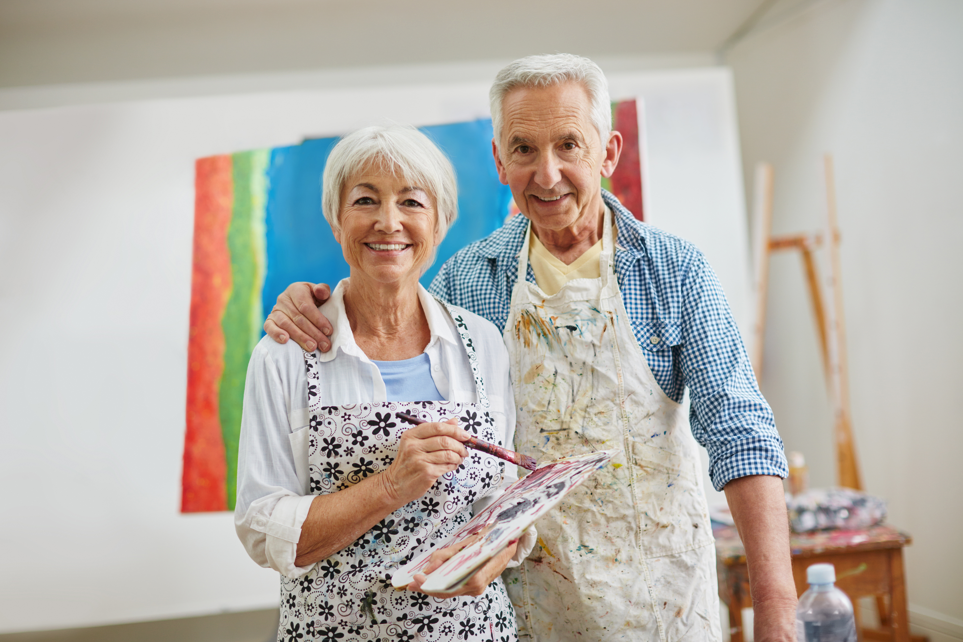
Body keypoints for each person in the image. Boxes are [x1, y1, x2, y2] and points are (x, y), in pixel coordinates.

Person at [263, 54, 798, 642]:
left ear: (608, 152)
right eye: (523, 149)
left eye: (569, 145)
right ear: (499, 159)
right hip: (525, 607)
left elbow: (741, 432)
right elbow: (388, 313)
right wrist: (315, 304)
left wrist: (775, 609)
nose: (546, 175)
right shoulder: (468, 281)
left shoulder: (673, 272)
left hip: (656, 601)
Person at [235, 124, 534, 642]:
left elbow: (501, 499)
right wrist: (391, 486)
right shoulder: (285, 355)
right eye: (365, 200)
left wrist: (495, 553)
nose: (388, 222)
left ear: (440, 224)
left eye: (412, 202)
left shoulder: (482, 343)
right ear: (336, 219)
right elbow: (265, 531)